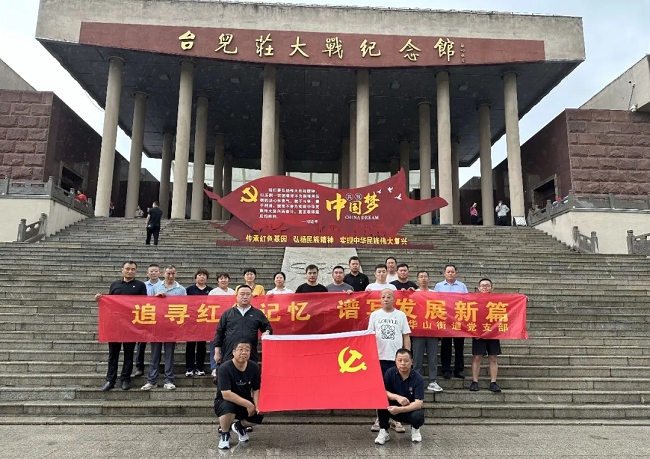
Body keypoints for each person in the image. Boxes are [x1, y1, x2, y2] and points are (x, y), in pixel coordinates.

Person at [94, 261, 147, 391]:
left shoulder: (140, 285)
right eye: (127, 269)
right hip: (115, 325)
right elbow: (109, 303)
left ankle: (125, 379)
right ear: (122, 270)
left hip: (131, 325)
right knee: (113, 354)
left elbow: (144, 304)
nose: (130, 271)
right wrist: (101, 298)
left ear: (135, 271)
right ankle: (110, 380)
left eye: (133, 269)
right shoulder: (115, 285)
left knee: (129, 354)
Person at [368, 288, 411, 434]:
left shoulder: (401, 315)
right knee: (380, 389)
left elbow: (406, 336)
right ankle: (380, 419)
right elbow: (370, 337)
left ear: (394, 299)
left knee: (396, 388)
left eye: (388, 296)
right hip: (379, 357)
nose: (386, 299)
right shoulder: (374, 315)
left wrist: (406, 356)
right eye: (383, 297)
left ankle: (396, 419)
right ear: (380, 299)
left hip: (396, 360)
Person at [141, 265, 186, 391]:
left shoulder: (181, 289)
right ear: (163, 274)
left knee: (169, 354)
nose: (170, 276)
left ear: (176, 274)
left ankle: (168, 380)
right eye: (168, 273)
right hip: (157, 325)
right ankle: (151, 380)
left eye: (173, 273)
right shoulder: (155, 287)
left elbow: (185, 306)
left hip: (172, 326)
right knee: (154, 354)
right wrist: (156, 298)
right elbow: (147, 304)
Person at [215, 340, 264, 450]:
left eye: (247, 350)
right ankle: (225, 434)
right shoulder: (224, 368)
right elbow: (226, 394)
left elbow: (256, 389)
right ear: (233, 352)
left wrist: (257, 405)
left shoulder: (254, 367)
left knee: (259, 414)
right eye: (240, 349)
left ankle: (239, 426)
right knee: (228, 407)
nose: (244, 352)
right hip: (224, 401)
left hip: (244, 400)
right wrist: (248, 404)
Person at [214, 285, 273, 367]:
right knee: (229, 372)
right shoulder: (228, 313)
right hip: (231, 351)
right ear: (236, 296)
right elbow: (219, 332)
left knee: (250, 372)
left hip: (250, 352)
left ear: (251, 296)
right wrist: (217, 352)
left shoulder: (257, 313)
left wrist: (267, 332)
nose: (245, 297)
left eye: (248, 294)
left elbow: (268, 327)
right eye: (242, 294)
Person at [375, 348, 425, 445]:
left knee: (418, 415)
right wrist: (397, 397)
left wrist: (400, 409)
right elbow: (383, 392)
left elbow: (418, 403)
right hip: (392, 408)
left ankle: (415, 429)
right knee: (381, 401)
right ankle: (384, 430)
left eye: (406, 361)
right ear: (395, 361)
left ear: (411, 362)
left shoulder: (418, 378)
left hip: (408, 409)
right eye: (400, 360)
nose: (403, 363)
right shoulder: (389, 373)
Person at [434, 264, 468, 379]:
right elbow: (434, 302)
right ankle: (446, 369)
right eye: (448, 272)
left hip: (459, 320)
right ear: (444, 273)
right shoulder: (438, 286)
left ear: (456, 273)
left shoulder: (462, 286)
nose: (450, 273)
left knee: (459, 346)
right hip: (444, 320)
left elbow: (467, 301)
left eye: (452, 272)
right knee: (445, 346)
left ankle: (459, 370)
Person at [412, 270, 442, 392]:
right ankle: (416, 381)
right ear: (417, 280)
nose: (423, 279)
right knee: (417, 358)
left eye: (425, 276)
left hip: (432, 331)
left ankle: (433, 381)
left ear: (429, 279)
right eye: (421, 277)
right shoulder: (413, 294)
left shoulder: (435, 294)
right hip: (418, 331)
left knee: (432, 358)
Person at [470, 278, 502, 393]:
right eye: (482, 286)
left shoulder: (497, 300)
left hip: (493, 332)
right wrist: (474, 332)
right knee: (477, 357)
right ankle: (475, 381)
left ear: (492, 288)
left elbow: (511, 303)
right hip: (478, 332)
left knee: (493, 357)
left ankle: (493, 382)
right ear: (478, 288)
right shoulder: (474, 300)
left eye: (487, 285)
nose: (485, 287)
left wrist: (523, 299)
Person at [134, 264, 163, 377]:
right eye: (151, 271)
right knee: (141, 343)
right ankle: (139, 367)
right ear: (147, 273)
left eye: (156, 271)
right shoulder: (143, 285)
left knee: (157, 344)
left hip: (159, 317)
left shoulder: (163, 285)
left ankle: (156, 367)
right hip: (145, 316)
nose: (153, 273)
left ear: (160, 273)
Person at [185, 268, 213, 377]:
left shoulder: (210, 290)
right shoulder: (189, 289)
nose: (202, 277)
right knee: (190, 344)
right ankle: (189, 368)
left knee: (202, 345)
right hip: (191, 321)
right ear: (196, 277)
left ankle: (200, 368)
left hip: (204, 320)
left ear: (207, 278)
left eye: (204, 275)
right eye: (199, 275)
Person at [208, 273, 235, 378]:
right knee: (215, 345)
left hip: (230, 322)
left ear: (228, 280)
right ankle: (214, 367)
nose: (223, 280)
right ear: (217, 281)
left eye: (225, 278)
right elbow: (209, 306)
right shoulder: (213, 292)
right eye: (221, 278)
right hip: (216, 322)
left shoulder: (233, 292)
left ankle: (227, 367)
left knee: (229, 345)